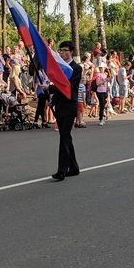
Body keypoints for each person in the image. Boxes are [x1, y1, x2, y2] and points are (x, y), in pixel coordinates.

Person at [49, 41, 82, 181]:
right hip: (60, 106)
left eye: (65, 50)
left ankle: (62, 170)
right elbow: (59, 87)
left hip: (69, 106)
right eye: (61, 50)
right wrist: (53, 101)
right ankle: (73, 167)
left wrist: (49, 88)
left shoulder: (76, 68)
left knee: (64, 136)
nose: (62, 53)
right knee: (65, 137)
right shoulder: (60, 67)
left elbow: (67, 87)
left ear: (71, 52)